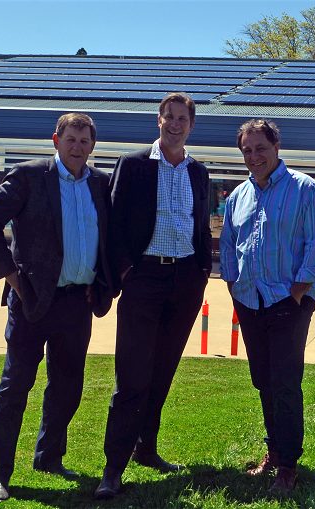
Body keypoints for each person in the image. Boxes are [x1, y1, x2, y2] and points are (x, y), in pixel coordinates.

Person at [0, 113, 113, 502]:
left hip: (76, 304)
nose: (77, 147)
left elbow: (109, 240)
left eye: (85, 141)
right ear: (56, 139)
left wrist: (102, 284)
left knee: (67, 387)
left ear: (92, 146)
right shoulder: (30, 175)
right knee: (15, 387)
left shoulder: (101, 184)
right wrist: (10, 275)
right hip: (31, 301)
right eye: (71, 139)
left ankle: (49, 456)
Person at [94, 92, 212, 499]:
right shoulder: (133, 165)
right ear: (158, 121)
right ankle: (113, 467)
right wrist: (126, 269)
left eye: (183, 118)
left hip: (185, 283)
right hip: (143, 279)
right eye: (169, 117)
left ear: (192, 125)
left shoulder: (199, 171)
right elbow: (113, 222)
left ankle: (147, 449)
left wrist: (202, 269)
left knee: (162, 372)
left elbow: (201, 225)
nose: (176, 124)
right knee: (132, 376)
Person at [219, 119, 315, 496]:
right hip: (251, 302)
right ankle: (274, 451)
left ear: (276, 146)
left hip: (288, 303)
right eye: (247, 151)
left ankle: (288, 466)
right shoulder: (238, 196)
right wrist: (235, 286)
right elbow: (228, 247)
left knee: (285, 383)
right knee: (263, 381)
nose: (254, 157)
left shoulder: (305, 190)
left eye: (260, 148)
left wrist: (298, 291)